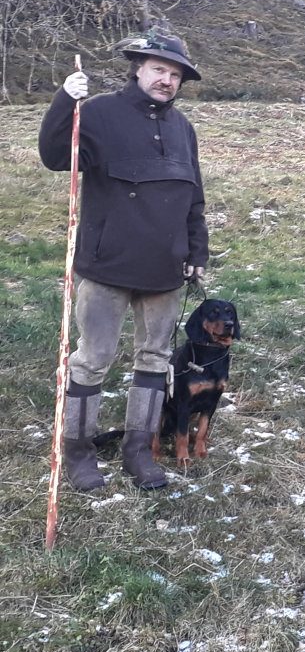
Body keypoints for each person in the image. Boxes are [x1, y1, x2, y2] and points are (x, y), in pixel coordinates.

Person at [38, 31, 209, 491]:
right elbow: (54, 157)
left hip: (165, 269)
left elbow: (193, 195)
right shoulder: (98, 113)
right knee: (92, 360)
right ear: (138, 69)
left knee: (154, 359)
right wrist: (64, 102)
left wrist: (197, 250)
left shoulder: (183, 128)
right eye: (159, 70)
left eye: (175, 75)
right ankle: (78, 451)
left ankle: (138, 449)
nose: (167, 80)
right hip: (106, 266)